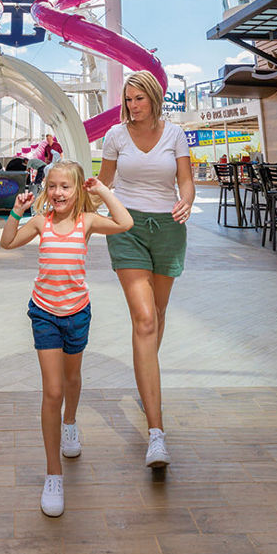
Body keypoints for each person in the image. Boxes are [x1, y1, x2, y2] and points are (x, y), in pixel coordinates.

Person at [0, 160, 133, 518]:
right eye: (53, 186)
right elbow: (7, 242)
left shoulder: (85, 222)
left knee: (72, 379)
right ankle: (53, 474)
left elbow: (125, 222)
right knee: (53, 390)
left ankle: (70, 423)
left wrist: (103, 190)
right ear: (46, 190)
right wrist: (16, 212)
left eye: (66, 187)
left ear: (78, 191)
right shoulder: (41, 222)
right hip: (43, 313)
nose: (58, 193)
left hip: (77, 313)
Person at [99, 69, 195, 470]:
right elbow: (103, 184)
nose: (132, 106)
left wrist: (187, 201)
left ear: (154, 98)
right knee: (143, 319)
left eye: (139, 99)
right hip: (127, 228)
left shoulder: (175, 134)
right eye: (129, 99)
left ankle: (146, 382)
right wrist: (69, 213)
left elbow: (185, 182)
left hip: (169, 228)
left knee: (157, 313)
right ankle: (156, 434)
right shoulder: (115, 136)